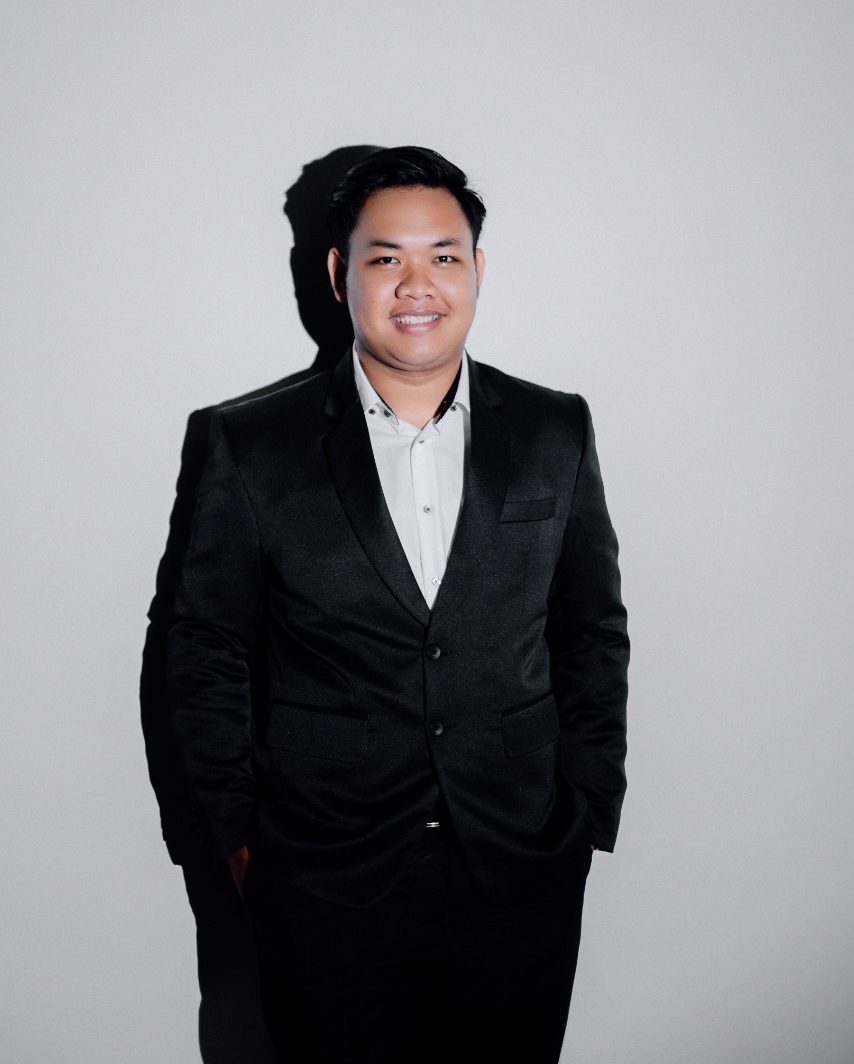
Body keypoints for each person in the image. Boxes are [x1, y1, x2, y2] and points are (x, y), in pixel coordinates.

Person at [166, 146, 629, 1064]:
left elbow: (591, 631)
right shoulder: (249, 445)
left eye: (443, 256)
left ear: (477, 268)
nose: (418, 285)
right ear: (341, 273)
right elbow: (204, 647)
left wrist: (585, 813)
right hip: (323, 881)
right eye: (387, 258)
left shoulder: (555, 430)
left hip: (519, 871)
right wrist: (240, 844)